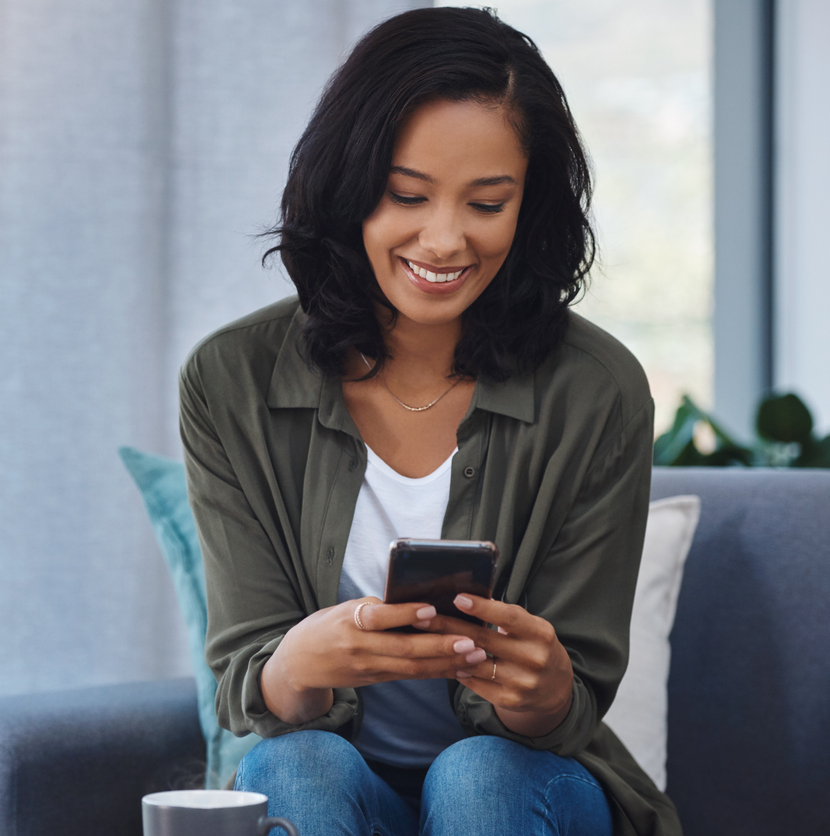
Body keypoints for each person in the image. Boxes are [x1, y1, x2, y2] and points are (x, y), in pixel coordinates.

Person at [179, 7, 679, 836]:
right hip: (330, 781)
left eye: (486, 203)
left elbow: (575, 700)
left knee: (478, 778)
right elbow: (249, 681)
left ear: (529, 208)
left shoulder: (597, 391)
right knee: (293, 766)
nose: (443, 240)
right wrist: (298, 664)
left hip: (526, 790)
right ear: (347, 187)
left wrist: (542, 688)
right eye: (406, 194)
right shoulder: (232, 380)